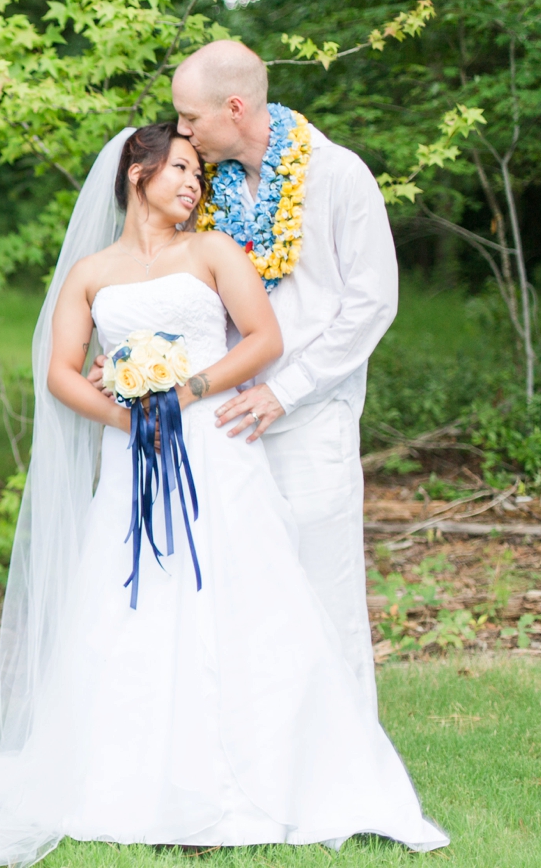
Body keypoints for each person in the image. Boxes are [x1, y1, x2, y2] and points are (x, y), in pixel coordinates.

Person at [0, 123, 446, 867]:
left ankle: (274, 773)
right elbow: (63, 370)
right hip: (136, 456)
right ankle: (137, 785)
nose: (196, 184)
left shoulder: (213, 251)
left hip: (216, 449)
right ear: (137, 173)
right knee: (138, 608)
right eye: (182, 169)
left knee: (243, 599)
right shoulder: (91, 273)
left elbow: (263, 339)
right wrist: (127, 415)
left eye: (200, 172)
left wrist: (187, 390)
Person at [168, 39, 396, 707]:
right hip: (225, 423)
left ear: (234, 107)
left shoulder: (337, 175)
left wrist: (285, 390)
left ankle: (350, 778)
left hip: (309, 418)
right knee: (246, 600)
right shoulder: (205, 184)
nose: (183, 131)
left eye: (191, 118)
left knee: (324, 595)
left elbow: (372, 302)